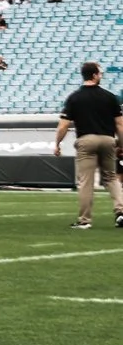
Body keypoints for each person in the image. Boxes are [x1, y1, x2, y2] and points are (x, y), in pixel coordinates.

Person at [55, 62, 122, 230]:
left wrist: (57, 144)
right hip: (108, 139)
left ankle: (85, 220)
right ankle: (121, 211)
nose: (101, 76)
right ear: (94, 75)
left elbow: (63, 125)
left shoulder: (74, 97)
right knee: (111, 177)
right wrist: (121, 144)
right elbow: (120, 124)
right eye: (100, 73)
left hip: (86, 140)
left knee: (86, 181)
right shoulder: (110, 97)